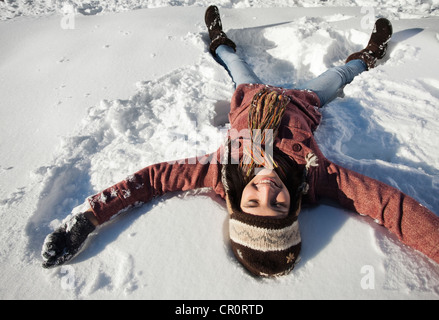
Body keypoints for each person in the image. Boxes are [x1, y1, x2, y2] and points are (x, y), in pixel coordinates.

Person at [41, 6, 439, 277]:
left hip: (249, 95)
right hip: (305, 100)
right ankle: (368, 56)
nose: (267, 190)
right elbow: (392, 208)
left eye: (252, 202)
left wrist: (89, 217)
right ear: (294, 204)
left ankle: (219, 41)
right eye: (279, 204)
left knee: (234, 63)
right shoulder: (316, 178)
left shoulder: (222, 170)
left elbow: (153, 180)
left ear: (236, 201)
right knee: (339, 76)